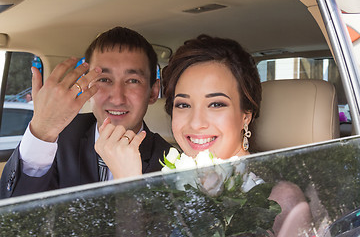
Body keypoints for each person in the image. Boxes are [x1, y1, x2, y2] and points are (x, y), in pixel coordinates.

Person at [95, 35, 312, 235]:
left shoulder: (279, 198)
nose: (196, 123)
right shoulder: (164, 184)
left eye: (216, 104)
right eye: (183, 104)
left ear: (246, 115)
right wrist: (129, 184)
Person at [0, 26, 172, 199]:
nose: (118, 98)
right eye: (104, 80)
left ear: (153, 92)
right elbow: (13, 213)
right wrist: (41, 132)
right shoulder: (59, 137)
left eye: (133, 80)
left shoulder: (169, 161)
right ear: (87, 86)